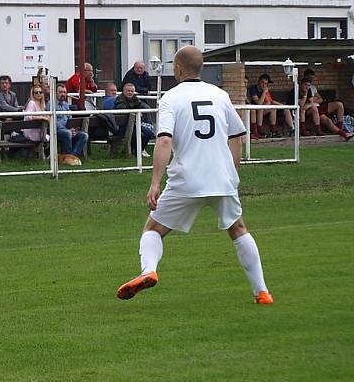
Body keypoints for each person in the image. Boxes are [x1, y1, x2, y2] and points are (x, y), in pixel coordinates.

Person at [116, 45, 273, 305]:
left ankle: (149, 271)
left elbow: (164, 141)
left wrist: (155, 183)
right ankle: (262, 292)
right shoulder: (220, 95)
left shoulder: (170, 98)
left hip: (187, 179)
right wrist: (232, 172)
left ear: (178, 69)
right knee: (238, 229)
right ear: (201, 68)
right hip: (221, 178)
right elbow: (237, 136)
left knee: (153, 228)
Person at [113, 82, 155, 156]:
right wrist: (136, 113)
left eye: (132, 91)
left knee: (149, 132)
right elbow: (123, 111)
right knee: (140, 134)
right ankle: (134, 151)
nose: (130, 93)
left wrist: (145, 110)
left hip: (135, 124)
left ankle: (140, 150)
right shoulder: (119, 99)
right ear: (123, 91)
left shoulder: (135, 99)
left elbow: (144, 106)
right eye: (128, 91)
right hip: (123, 127)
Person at [247, 73, 294, 138]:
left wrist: (283, 106)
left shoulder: (265, 90)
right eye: (262, 83)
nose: (264, 85)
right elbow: (259, 104)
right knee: (261, 108)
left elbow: (271, 101)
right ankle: (258, 130)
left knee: (273, 108)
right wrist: (264, 92)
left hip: (263, 110)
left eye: (266, 83)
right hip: (254, 111)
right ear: (258, 82)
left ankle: (273, 131)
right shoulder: (254, 89)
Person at [54, 84, 88, 158]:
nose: (63, 94)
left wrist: (72, 129)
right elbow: (53, 121)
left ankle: (73, 156)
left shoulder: (66, 105)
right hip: (56, 131)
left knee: (84, 135)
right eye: (60, 92)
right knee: (67, 133)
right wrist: (67, 130)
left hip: (67, 130)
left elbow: (70, 119)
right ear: (55, 93)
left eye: (64, 92)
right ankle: (69, 157)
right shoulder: (51, 104)